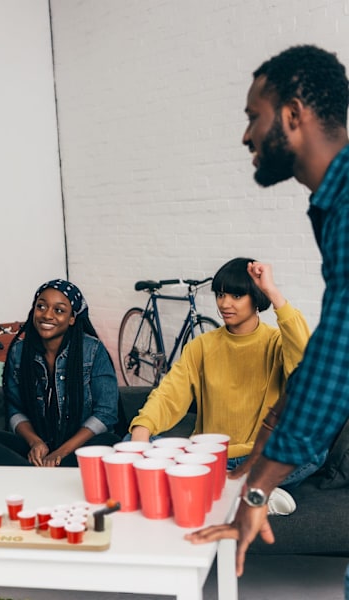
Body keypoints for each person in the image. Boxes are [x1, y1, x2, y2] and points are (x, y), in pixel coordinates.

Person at [184, 45, 349, 593]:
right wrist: (255, 484)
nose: (247, 136)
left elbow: (331, 363)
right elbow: (327, 358)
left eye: (254, 116)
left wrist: (253, 490)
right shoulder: (333, 206)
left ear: (294, 115)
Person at [129, 257, 323, 504]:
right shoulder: (202, 346)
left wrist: (273, 292)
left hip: (260, 455)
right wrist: (142, 428)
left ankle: (216, 485)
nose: (225, 304)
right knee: (130, 441)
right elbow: (168, 393)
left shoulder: (276, 343)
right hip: (209, 456)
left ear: (256, 298)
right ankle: (248, 488)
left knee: (316, 448)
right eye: (220, 295)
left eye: (236, 296)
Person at [0, 278, 120, 467]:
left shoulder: (93, 350)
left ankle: (37, 475)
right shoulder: (19, 352)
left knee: (109, 442)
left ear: (72, 318)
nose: (47, 315)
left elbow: (106, 413)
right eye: (41, 306)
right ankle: (42, 475)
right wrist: (35, 442)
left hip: (77, 446)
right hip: (40, 447)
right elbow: (15, 409)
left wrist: (62, 452)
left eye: (59, 310)